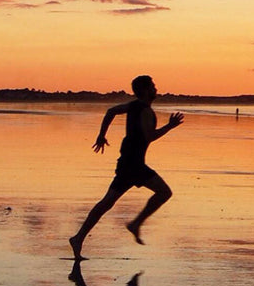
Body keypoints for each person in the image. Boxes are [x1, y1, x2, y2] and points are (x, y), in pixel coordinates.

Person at [69, 75, 184, 260]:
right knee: (164, 193)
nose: (156, 88)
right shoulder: (144, 109)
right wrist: (169, 126)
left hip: (129, 162)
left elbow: (110, 111)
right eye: (153, 86)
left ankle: (79, 238)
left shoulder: (134, 106)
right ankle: (135, 224)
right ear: (146, 90)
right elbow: (149, 137)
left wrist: (101, 135)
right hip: (134, 165)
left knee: (107, 203)